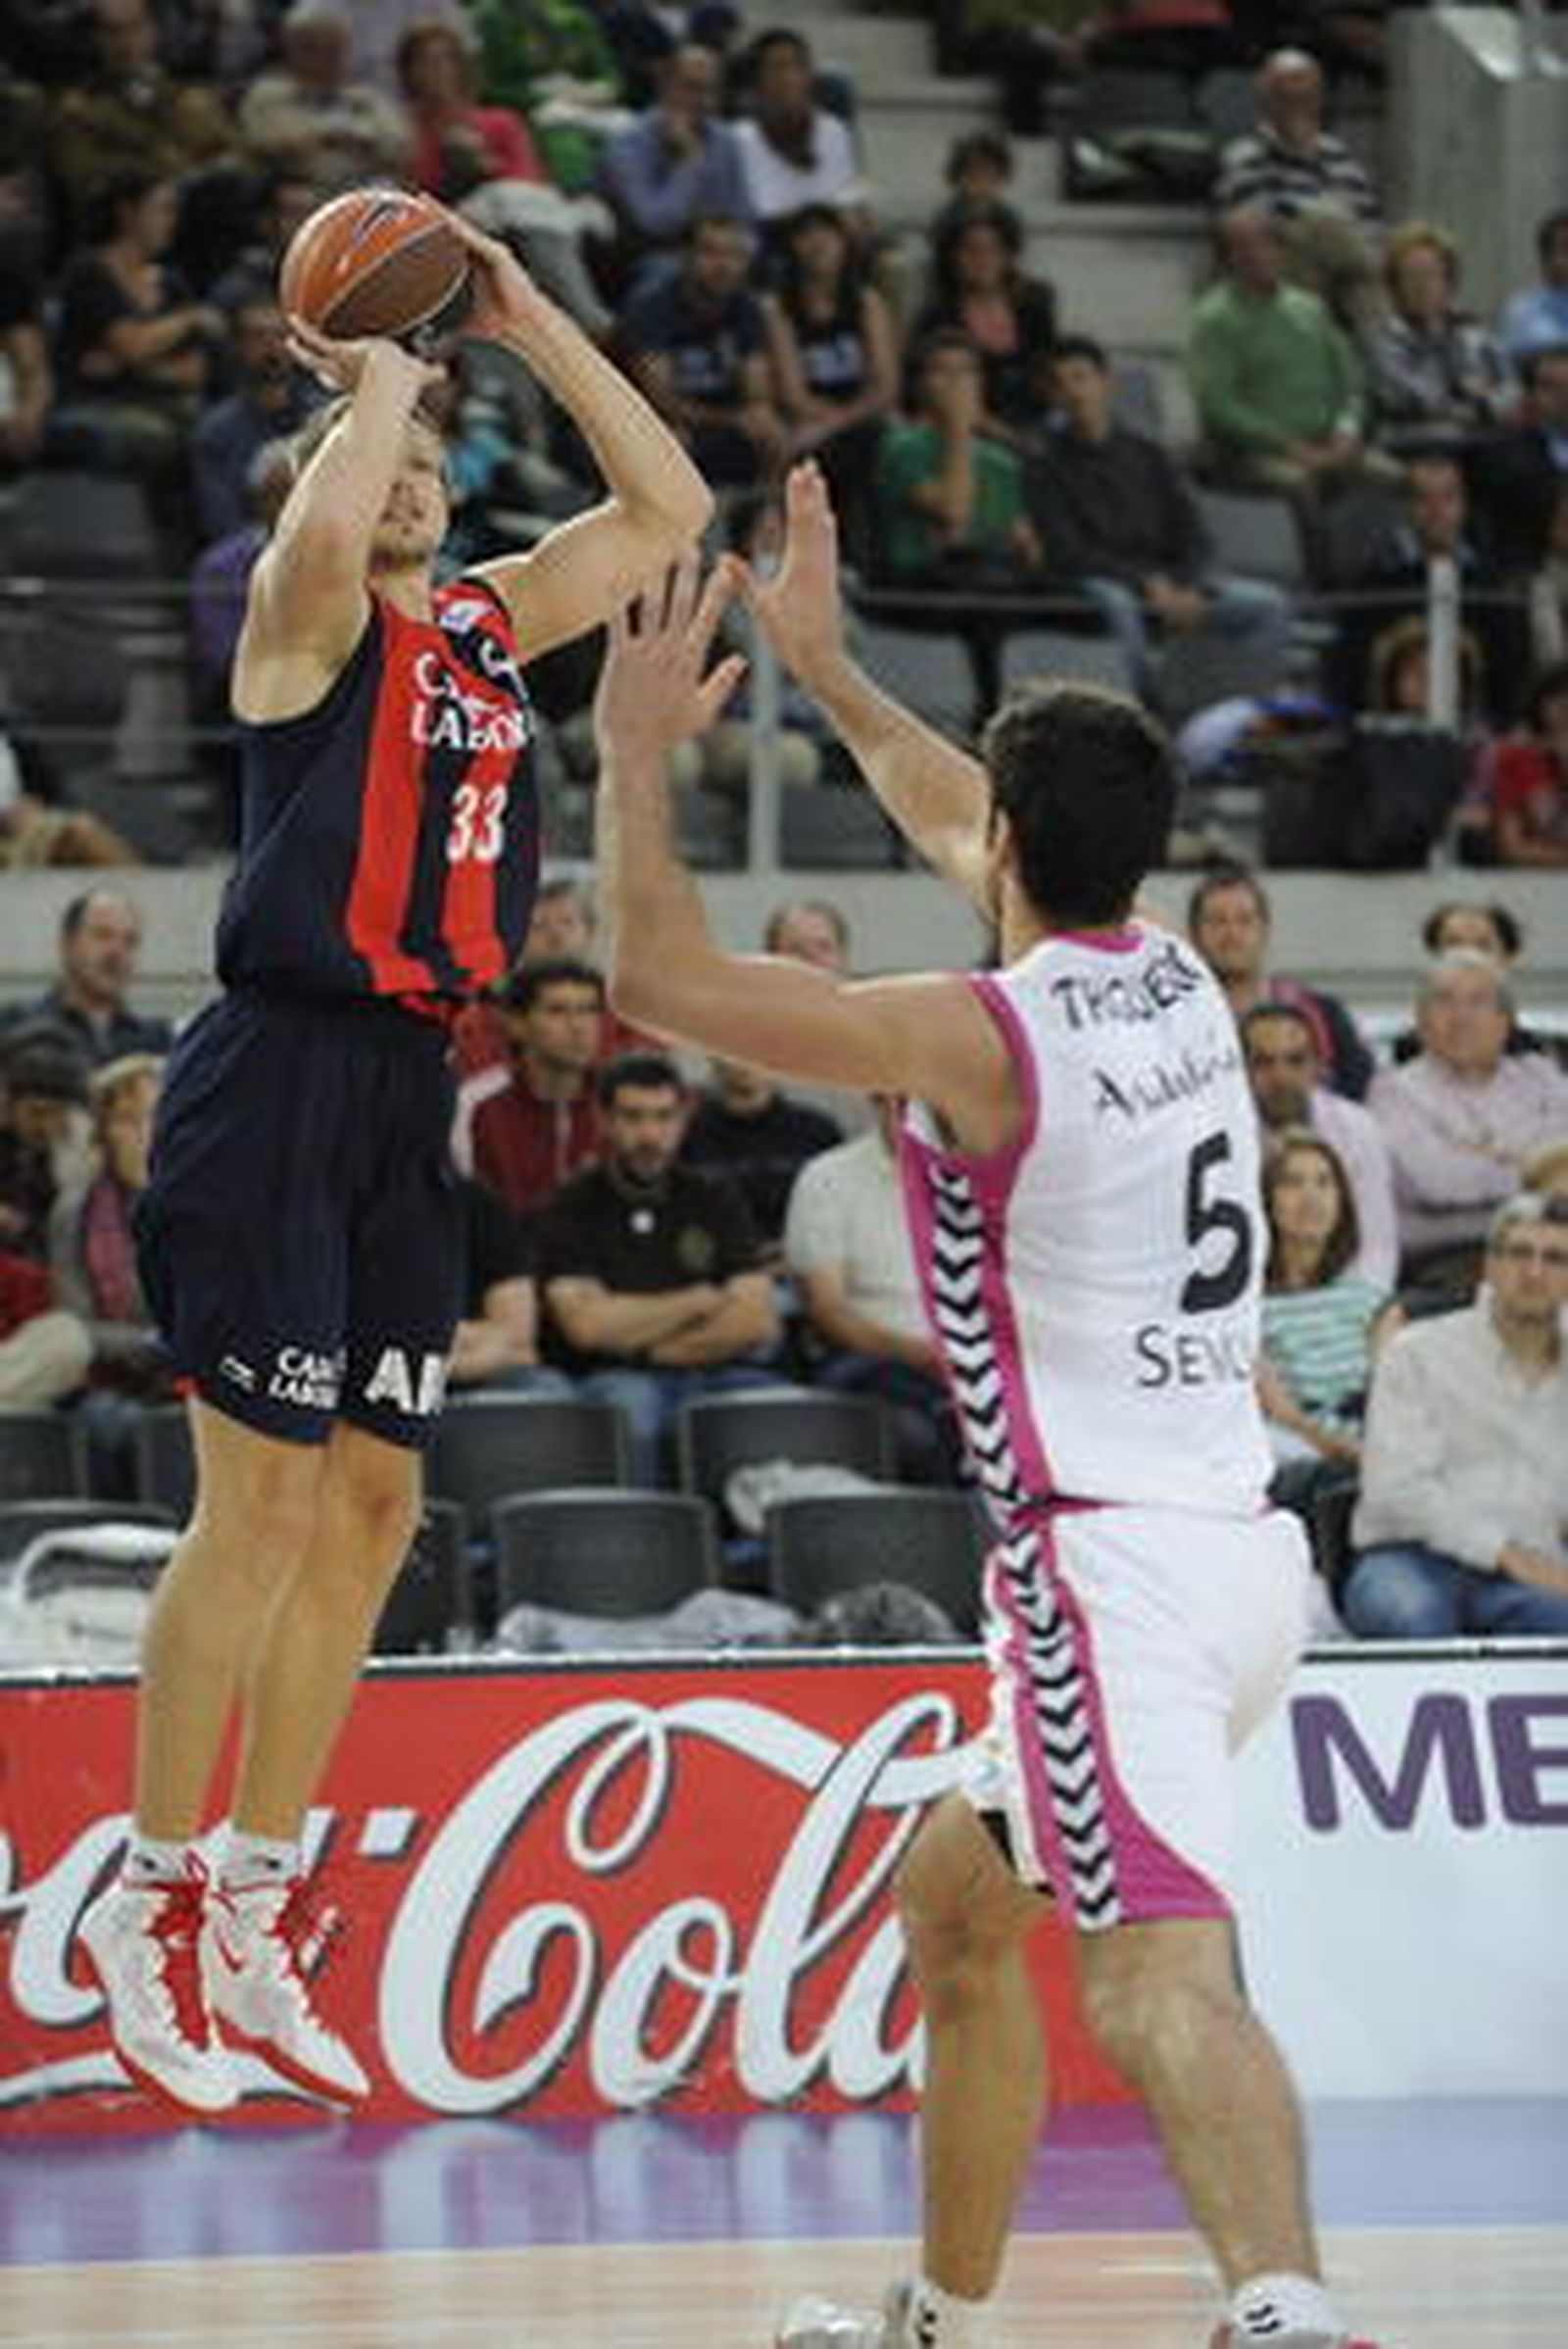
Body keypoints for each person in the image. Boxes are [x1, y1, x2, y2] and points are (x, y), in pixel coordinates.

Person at [589, 466, 1385, 2349]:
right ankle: (938, 2309)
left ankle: (1295, 2315)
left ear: (1016, 843)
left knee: (1150, 1982)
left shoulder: (982, 1031)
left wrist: (633, 757)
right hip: (1233, 1553)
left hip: (1109, 1579)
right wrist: (835, 672)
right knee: (954, 1901)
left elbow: (648, 977)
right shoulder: (1175, 968)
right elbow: (978, 819)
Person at [74, 208, 711, 2117]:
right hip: (270, 1078)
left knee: (366, 1520)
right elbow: (321, 529)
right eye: (390, 458)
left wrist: (526, 324)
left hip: (405, 1097)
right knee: (252, 1517)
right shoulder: (304, 624)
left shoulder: (492, 622)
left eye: (442, 461)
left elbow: (667, 508)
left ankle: (257, 1899)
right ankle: (149, 1894)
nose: (418, 474)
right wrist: (371, 375)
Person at [532, 1052, 781, 1483]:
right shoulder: (570, 1205)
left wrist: (652, 1346)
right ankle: (645, 1543)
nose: (650, 1134)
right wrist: (698, 1300)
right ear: (604, 1121)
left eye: (664, 1117)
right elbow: (587, 1326)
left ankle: (764, 1547)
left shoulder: (713, 1196)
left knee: (775, 1404)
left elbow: (756, 1319)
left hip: (712, 1372)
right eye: (633, 1117)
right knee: (634, 1409)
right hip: (612, 1379)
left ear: (683, 1120)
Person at [1342, 1191, 1568, 1639]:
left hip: (1529, 1575)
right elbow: (1396, 1494)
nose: (1535, 1272)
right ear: (1489, 1265)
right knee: (1415, 1619)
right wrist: (1504, 1553)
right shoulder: (1417, 1352)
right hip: (1409, 1560)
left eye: (1556, 1258)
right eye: (1520, 1253)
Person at [1028, 334, 1290, 712]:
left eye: (1080, 377)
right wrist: (1145, 584)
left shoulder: (1148, 454)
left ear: (1107, 382)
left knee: (1268, 605)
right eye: (1060, 383)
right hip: (1101, 583)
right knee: (1118, 605)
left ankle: (1250, 718)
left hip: (1171, 583)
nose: (1073, 392)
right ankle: (1147, 713)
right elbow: (1067, 550)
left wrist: (1187, 586)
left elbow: (1192, 531)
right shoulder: (1045, 464)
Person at [783, 1093, 963, 1484]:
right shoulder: (827, 1178)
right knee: (925, 1436)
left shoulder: (972, 1178)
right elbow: (828, 1310)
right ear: (876, 1100)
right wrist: (926, 1356)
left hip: (966, 1362)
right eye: (901, 1104)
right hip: (871, 1362)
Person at [1368, 950, 1568, 1291]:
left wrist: (1477, 1157)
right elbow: (1436, 1182)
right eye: (1444, 1001)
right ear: (1419, 1019)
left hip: (1554, 1248)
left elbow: (1561, 1171)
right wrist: (1526, 1165)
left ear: (1506, 1019)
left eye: (1478, 1002)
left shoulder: (1542, 1077)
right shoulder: (1393, 1090)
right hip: (1448, 1263)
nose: (1461, 1017)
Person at [1255, 1129, 1388, 1471]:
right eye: (1292, 1183)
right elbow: (1283, 1414)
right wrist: (1347, 1452)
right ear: (1265, 1201)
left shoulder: (1373, 1301)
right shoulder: (1248, 1309)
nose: (1311, 1197)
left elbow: (1395, 1396)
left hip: (1379, 1442)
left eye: (1324, 1183)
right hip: (1300, 1452)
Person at [1240, 1003, 1396, 1288]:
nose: (1281, 1076)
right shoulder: (1217, 1132)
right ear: (1239, 1070)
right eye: (1263, 1062)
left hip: (1346, 1301)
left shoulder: (1359, 1127)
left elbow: (1377, 1245)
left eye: (1295, 1060)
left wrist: (1354, 1313)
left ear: (1318, 1066)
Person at [1186, 863, 1372, 1100]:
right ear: (1194, 935)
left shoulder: (1323, 1013)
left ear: (1265, 931)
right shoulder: (1174, 1020)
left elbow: (1357, 1094)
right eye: (1216, 921)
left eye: (1244, 920)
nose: (1231, 934)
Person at [457, 955, 607, 1218]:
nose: (578, 1026)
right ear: (516, 1023)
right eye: (557, 1011)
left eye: (589, 1010)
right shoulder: (475, 1105)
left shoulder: (624, 1101)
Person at [681, 1054, 841, 1256]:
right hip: (720, 1271)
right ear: (712, 1056)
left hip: (807, 1267)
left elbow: (841, 1219)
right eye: (734, 1047)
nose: (746, 1059)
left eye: (753, 1047)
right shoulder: (686, 1137)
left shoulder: (819, 1133)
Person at [3, 887, 172, 1067]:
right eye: (103, 935)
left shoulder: (156, 1042)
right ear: (67, 945)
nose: (117, 952)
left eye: (130, 942)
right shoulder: (17, 1025)